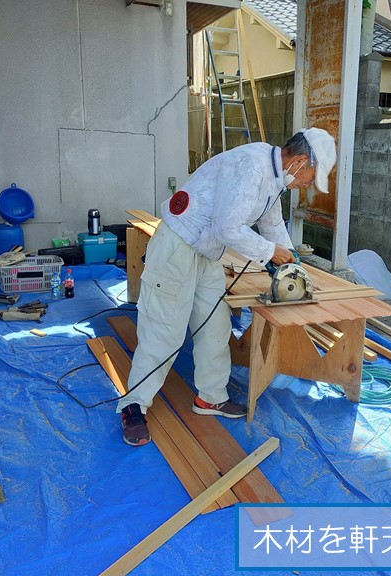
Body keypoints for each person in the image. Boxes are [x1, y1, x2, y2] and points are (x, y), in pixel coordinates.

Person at [118, 128, 337, 446]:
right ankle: (133, 405)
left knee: (216, 327)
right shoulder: (251, 165)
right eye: (310, 178)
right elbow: (228, 227)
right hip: (178, 244)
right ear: (300, 161)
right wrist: (270, 253)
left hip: (207, 251)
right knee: (164, 330)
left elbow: (272, 224)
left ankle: (210, 398)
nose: (306, 186)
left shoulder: (275, 176)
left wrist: (290, 265)